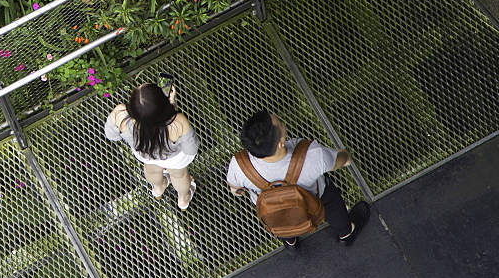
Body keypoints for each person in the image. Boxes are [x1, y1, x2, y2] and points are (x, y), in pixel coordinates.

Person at [226, 111, 370, 251]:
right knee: (334, 209)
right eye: (280, 122)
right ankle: (346, 234)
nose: (279, 118)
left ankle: (290, 241)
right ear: (280, 143)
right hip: (316, 198)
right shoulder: (312, 155)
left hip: (273, 208)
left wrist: (235, 189)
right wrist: (345, 155)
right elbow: (341, 161)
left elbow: (233, 186)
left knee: (281, 218)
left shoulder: (239, 165)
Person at [104, 82, 200, 209]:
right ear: (163, 105)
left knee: (151, 170)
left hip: (145, 154)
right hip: (174, 159)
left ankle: (158, 189)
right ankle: (183, 199)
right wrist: (172, 105)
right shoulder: (177, 121)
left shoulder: (121, 114)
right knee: (179, 175)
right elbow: (191, 148)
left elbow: (112, 136)